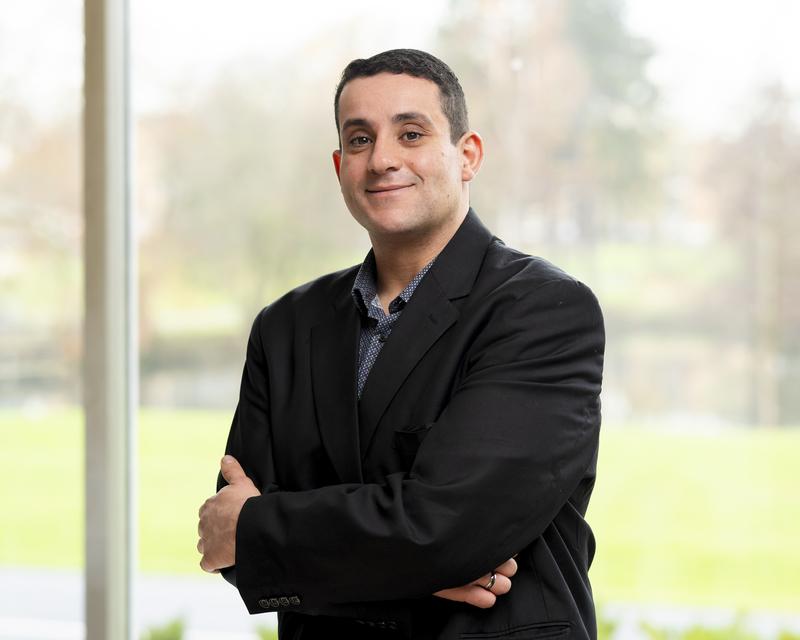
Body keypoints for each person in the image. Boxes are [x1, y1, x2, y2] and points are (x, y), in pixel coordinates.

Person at [197, 49, 604, 639]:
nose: (382, 159)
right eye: (359, 140)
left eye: (411, 134)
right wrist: (416, 567)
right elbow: (230, 536)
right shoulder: (284, 326)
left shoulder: (544, 310)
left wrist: (283, 542)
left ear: (467, 156)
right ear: (339, 164)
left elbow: (448, 527)